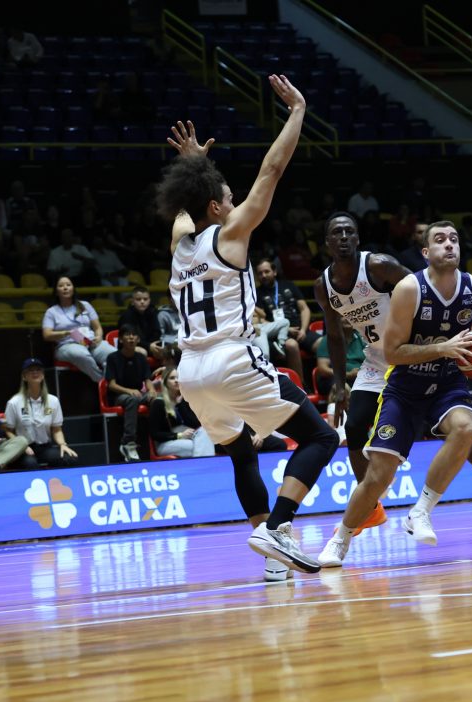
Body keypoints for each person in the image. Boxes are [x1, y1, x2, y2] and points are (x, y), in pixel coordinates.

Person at [161, 82, 339, 580]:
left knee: (241, 452)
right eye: (228, 198)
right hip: (231, 359)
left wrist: (196, 168)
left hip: (190, 372)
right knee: (321, 437)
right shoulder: (232, 234)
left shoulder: (179, 246)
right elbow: (271, 169)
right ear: (218, 209)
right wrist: (298, 110)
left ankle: (273, 560)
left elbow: (185, 209)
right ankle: (277, 528)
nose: (235, 201)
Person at [313, 214, 472, 567]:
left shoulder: (390, 270)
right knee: (371, 455)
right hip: (391, 362)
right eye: (440, 239)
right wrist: (339, 382)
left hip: (440, 369)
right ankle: (354, 523)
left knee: (465, 428)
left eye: (454, 238)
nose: (449, 244)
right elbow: (350, 338)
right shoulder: (334, 285)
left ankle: (446, 503)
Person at [3, 357, 78, 469]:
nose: (35, 372)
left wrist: (63, 444)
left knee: (70, 459)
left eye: (38, 370)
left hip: (45, 447)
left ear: (43, 375)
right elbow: (8, 430)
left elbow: (56, 429)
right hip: (24, 448)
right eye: (30, 370)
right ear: (24, 376)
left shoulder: (53, 401)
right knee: (30, 464)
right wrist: (21, 446)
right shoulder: (14, 402)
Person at [41, 276, 116, 382]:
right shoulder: (51, 312)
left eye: (68, 285)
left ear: (73, 289)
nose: (65, 288)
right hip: (67, 345)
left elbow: (97, 327)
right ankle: (102, 382)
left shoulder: (85, 305)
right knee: (81, 354)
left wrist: (98, 337)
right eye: (61, 286)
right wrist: (65, 333)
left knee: (114, 354)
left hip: (90, 342)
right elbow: (46, 335)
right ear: (56, 292)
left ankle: (113, 381)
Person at [254, 258, 320, 379]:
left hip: (300, 329)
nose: (263, 275)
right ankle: (300, 385)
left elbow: (304, 309)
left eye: (266, 271)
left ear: (274, 272)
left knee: (322, 343)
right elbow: (260, 319)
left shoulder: (289, 285)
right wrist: (287, 329)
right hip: (278, 333)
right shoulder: (257, 293)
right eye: (260, 273)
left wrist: (303, 330)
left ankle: (327, 380)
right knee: (292, 345)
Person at [105, 324, 152, 462]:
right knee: (132, 399)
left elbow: (147, 380)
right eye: (127, 334)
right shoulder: (113, 358)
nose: (131, 337)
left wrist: (152, 391)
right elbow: (111, 385)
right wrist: (129, 391)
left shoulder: (141, 358)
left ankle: (158, 438)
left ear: (138, 339)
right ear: (120, 339)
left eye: (134, 335)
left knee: (157, 400)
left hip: (138, 394)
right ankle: (128, 443)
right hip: (118, 396)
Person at [147, 366, 215, 458]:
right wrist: (179, 435)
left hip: (187, 438)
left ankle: (202, 465)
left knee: (204, 432)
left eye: (178, 378)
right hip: (165, 443)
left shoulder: (183, 401)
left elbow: (196, 425)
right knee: (197, 446)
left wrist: (180, 404)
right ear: (165, 382)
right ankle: (206, 466)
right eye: (172, 378)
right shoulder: (158, 403)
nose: (176, 380)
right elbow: (155, 434)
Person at [117, 286, 166, 361]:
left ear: (149, 300)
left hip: (149, 345)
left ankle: (164, 368)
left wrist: (153, 345)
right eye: (138, 299)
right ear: (132, 301)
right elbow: (129, 338)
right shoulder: (126, 316)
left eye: (145, 299)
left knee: (165, 351)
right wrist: (148, 345)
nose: (142, 302)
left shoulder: (153, 312)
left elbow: (156, 332)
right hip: (130, 345)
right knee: (142, 352)